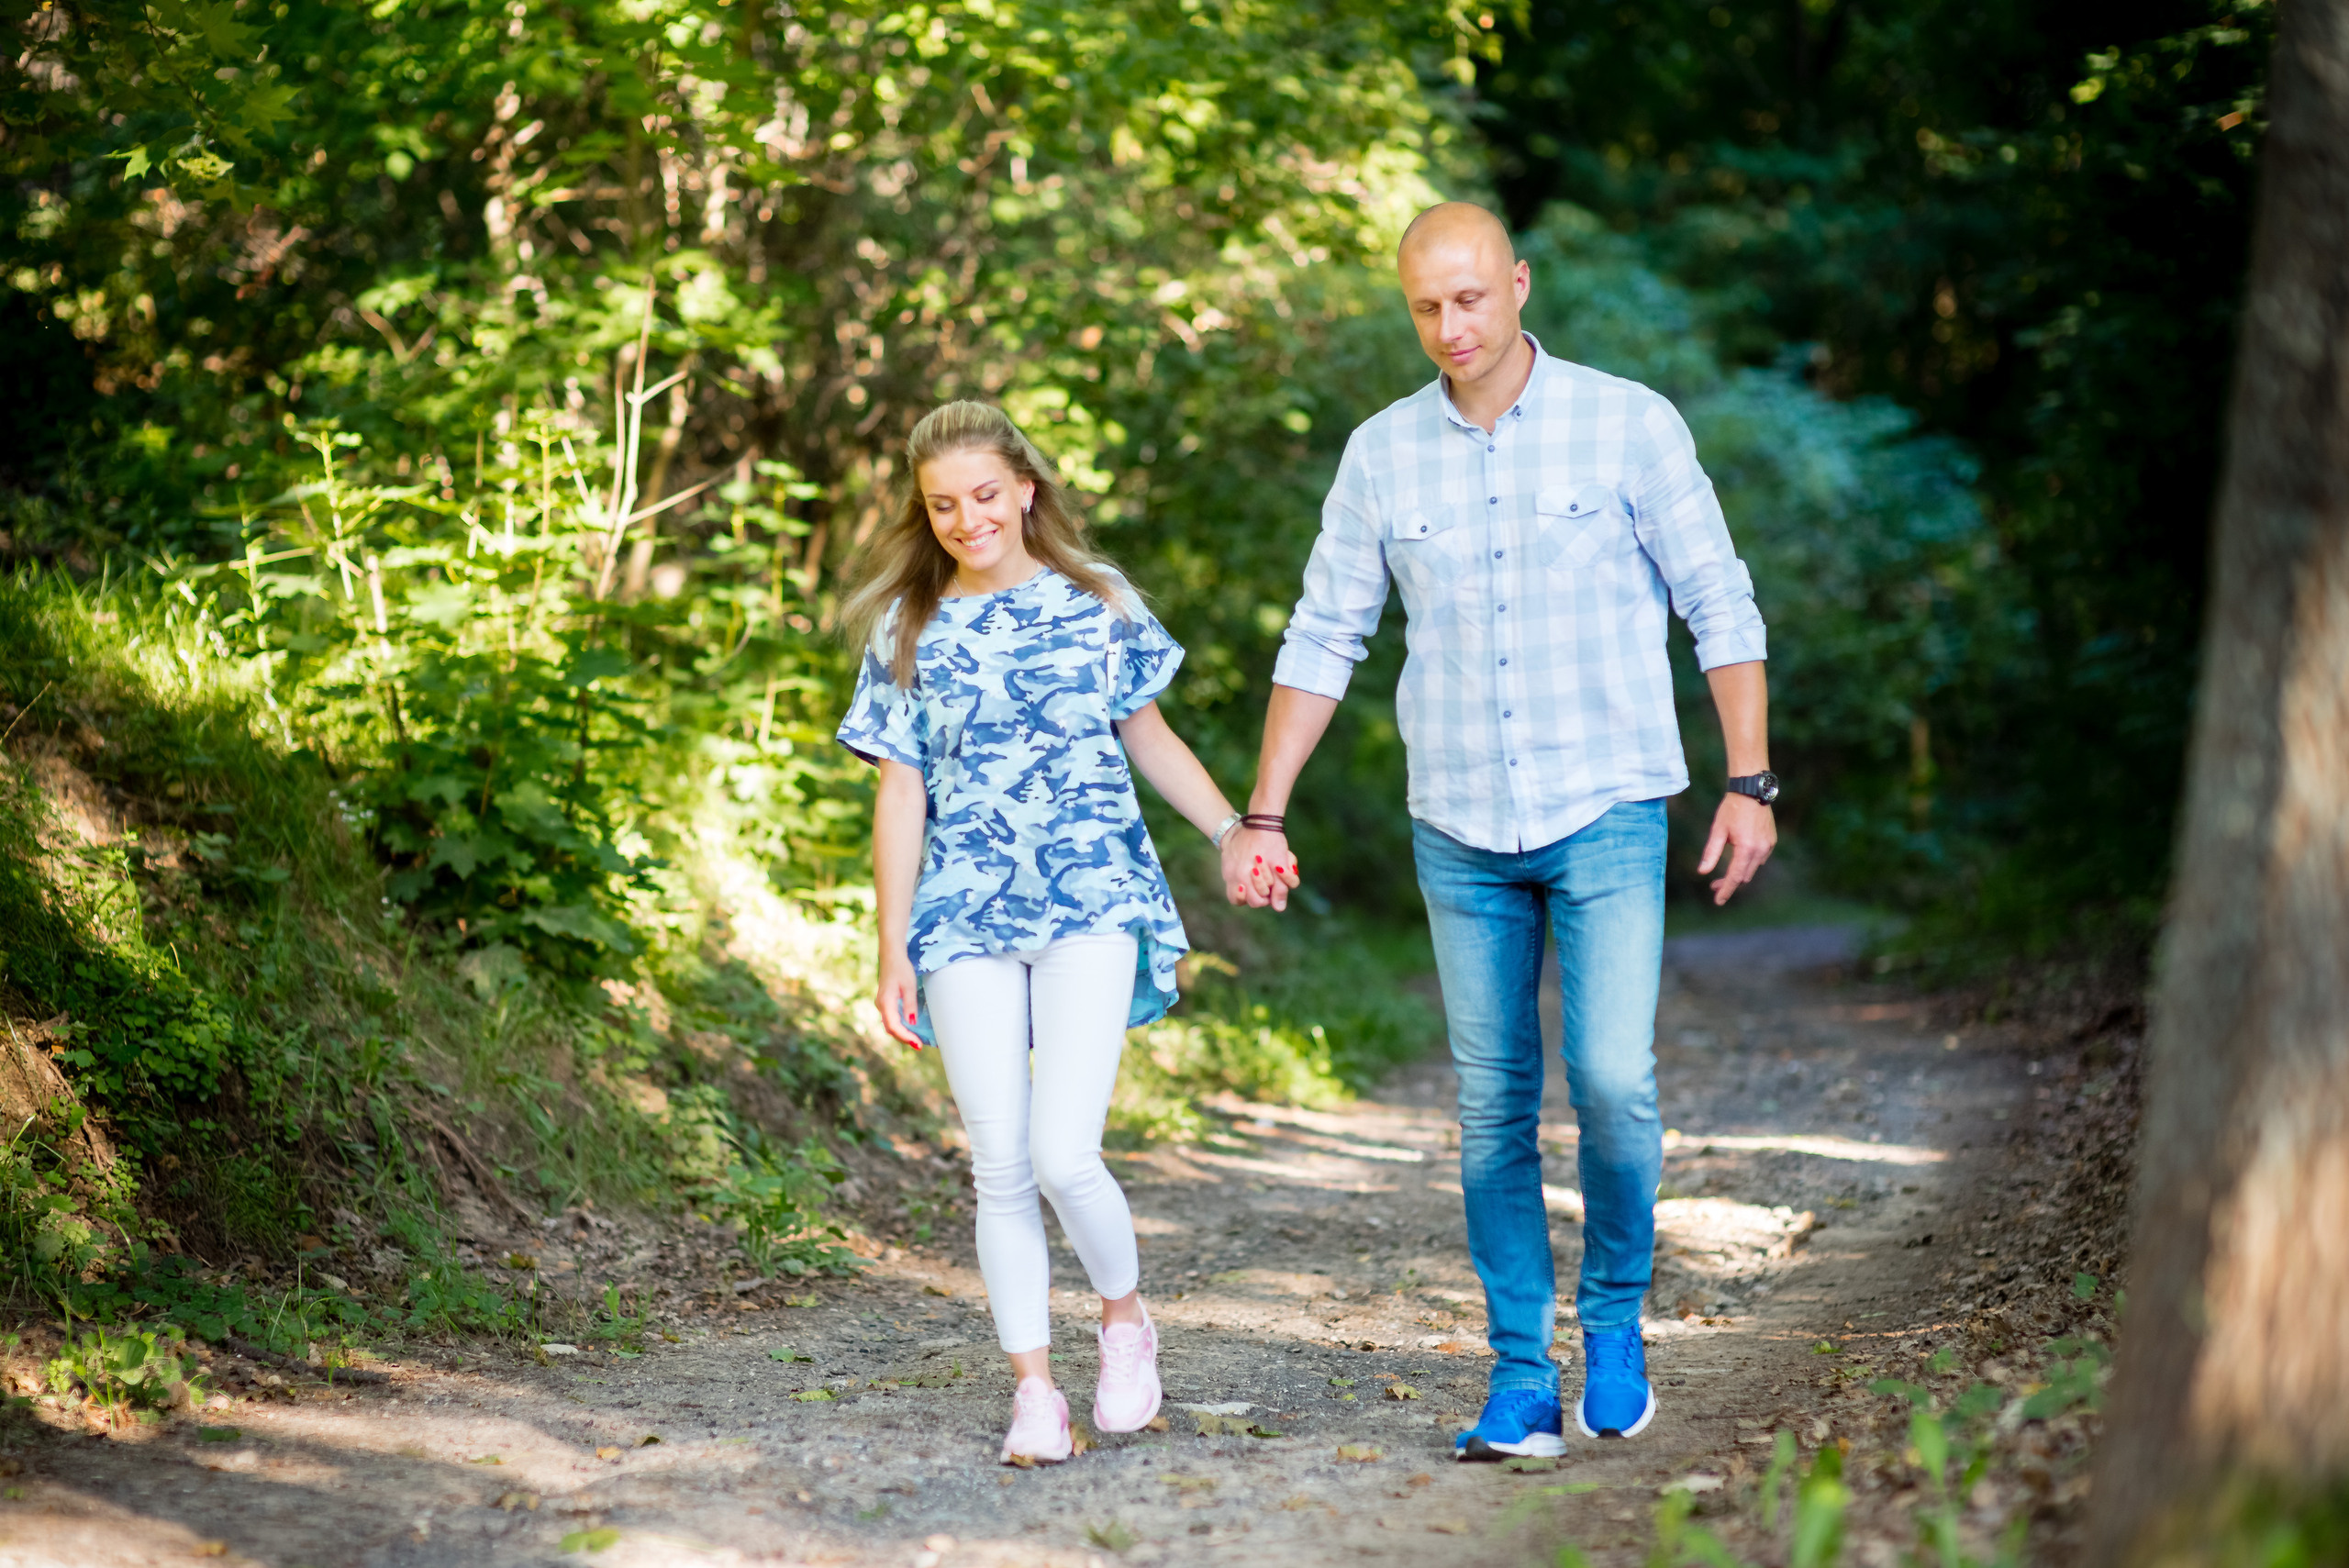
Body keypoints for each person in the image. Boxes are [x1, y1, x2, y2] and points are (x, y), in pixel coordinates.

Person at [1218, 202, 1777, 1461]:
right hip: (1459, 819)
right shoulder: (1380, 453)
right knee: (1491, 1107)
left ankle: (1615, 1318)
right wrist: (1264, 808)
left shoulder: (1627, 421)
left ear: (1519, 284)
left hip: (1607, 805)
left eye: (1469, 298)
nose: (1449, 326)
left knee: (1614, 1081)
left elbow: (1718, 599)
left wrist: (1751, 779)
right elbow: (1325, 631)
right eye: (1425, 306)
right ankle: (1522, 1373)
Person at [835, 401, 1264, 1466]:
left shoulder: (1097, 601)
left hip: (1091, 900)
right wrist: (890, 948)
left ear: (1025, 489)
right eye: (943, 504)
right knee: (998, 1164)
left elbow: (1148, 736)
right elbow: (900, 793)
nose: (967, 519)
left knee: (1063, 1153)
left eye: (985, 494)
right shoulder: (906, 625)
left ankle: (1123, 1318)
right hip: (962, 914)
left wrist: (1232, 830)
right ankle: (1034, 1390)